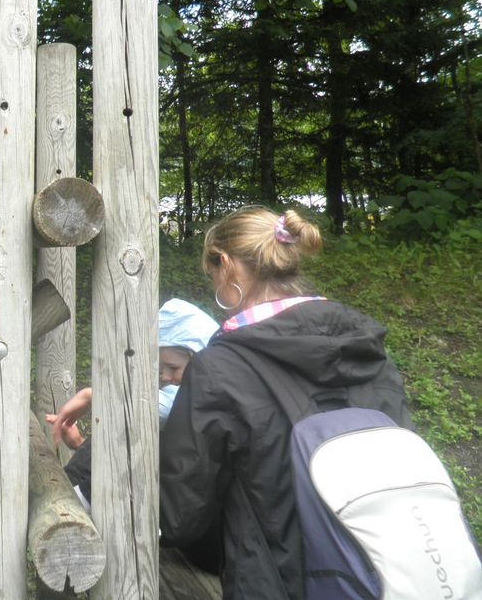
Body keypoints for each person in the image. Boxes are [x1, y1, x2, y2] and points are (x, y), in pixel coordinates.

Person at [159, 206, 413, 599]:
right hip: (387, 573)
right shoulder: (367, 350)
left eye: (212, 276)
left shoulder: (220, 367)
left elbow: (181, 517)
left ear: (226, 265)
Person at [48, 297, 219, 509]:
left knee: (132, 419)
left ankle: (67, 498)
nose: (165, 377)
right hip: (169, 490)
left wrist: (91, 395)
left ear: (197, 357)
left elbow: (150, 410)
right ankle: (67, 494)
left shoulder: (207, 392)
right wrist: (80, 444)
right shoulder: (189, 391)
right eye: (162, 369)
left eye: (173, 367)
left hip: (183, 506)